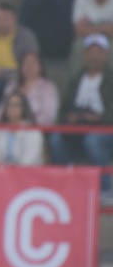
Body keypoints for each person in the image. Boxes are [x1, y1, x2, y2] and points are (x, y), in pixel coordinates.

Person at [48, 34, 113, 202]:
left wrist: (98, 118)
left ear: (106, 55)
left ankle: (105, 189)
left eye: (99, 52)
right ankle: (63, 185)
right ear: (84, 54)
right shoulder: (75, 80)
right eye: (91, 51)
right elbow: (62, 110)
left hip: (104, 128)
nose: (94, 56)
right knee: (56, 139)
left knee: (94, 140)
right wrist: (70, 117)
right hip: (77, 126)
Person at [0, 52, 59, 126]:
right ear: (20, 67)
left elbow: (49, 117)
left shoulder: (48, 87)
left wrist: (24, 124)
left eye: (33, 63)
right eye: (26, 63)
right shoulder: (12, 85)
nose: (29, 66)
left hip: (38, 132)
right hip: (11, 130)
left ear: (41, 66)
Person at [0, 93, 45, 165]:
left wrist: (12, 170)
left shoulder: (33, 131)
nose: (12, 108)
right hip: (1, 173)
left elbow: (30, 160)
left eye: (16, 105)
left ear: (24, 108)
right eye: (9, 105)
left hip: (26, 173)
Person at [70, 0, 113, 74]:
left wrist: (90, 26)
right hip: (87, 38)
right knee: (77, 46)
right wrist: (106, 27)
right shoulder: (81, 0)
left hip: (109, 39)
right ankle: (75, 83)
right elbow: (78, 31)